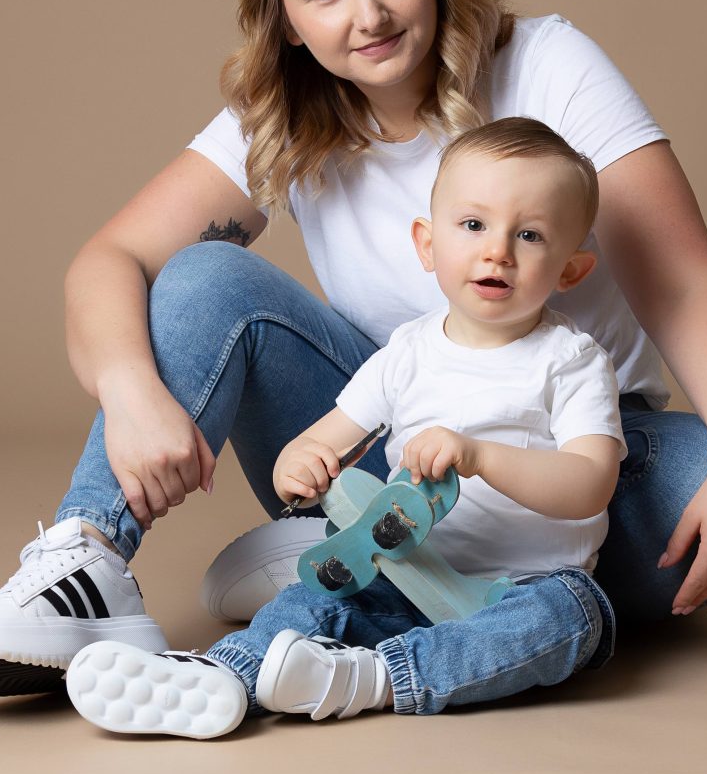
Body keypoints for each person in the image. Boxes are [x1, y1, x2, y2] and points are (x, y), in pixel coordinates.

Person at [0, 0, 707, 699]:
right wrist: (128, 391)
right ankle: (88, 560)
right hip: (384, 439)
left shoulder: (547, 63)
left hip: (564, 454)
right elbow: (107, 261)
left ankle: (378, 578)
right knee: (200, 277)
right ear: (287, 18)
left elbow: (679, 277)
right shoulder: (280, 119)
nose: (368, 14)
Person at [65, 119, 625, 737]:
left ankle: (376, 678)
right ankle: (223, 677)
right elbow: (327, 437)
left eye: (530, 235)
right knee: (319, 596)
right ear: (427, 244)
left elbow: (589, 484)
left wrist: (481, 457)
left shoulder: (570, 361)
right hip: (403, 571)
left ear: (571, 271)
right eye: (473, 225)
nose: (498, 251)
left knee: (573, 619)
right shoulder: (408, 352)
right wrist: (297, 466)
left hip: (520, 588)